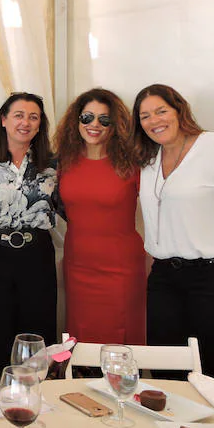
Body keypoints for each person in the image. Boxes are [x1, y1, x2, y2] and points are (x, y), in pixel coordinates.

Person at [133, 84, 214, 380]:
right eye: (145, 116)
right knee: (164, 372)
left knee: (205, 375)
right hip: (165, 280)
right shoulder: (149, 161)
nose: (155, 120)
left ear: (179, 111)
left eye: (161, 111)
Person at [0, 92, 58, 388]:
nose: (25, 122)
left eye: (33, 117)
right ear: (3, 120)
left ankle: (38, 402)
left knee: (37, 334)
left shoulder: (52, 166)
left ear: (40, 124)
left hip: (38, 255)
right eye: (18, 115)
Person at [54, 88, 146, 345]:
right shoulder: (64, 162)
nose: (95, 125)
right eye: (87, 117)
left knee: (121, 338)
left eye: (104, 120)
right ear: (76, 121)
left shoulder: (132, 164)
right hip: (77, 264)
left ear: (115, 125)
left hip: (121, 268)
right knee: (81, 338)